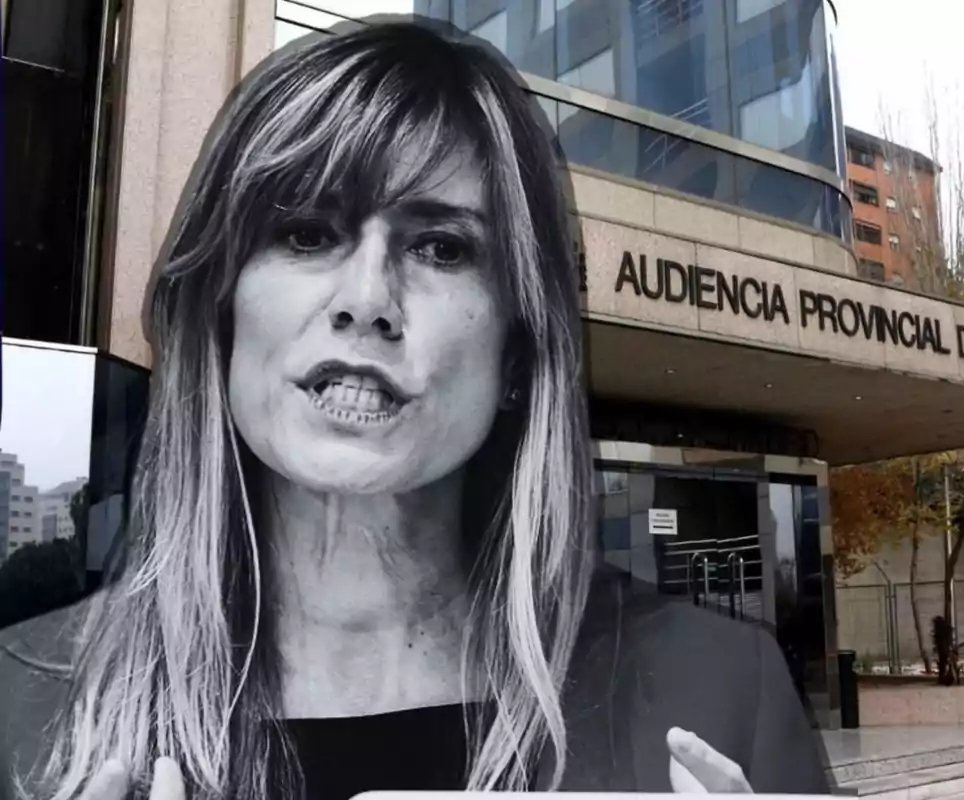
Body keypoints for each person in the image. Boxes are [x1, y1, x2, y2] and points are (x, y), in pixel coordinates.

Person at [0, 18, 832, 800]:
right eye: (305, 232)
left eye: (441, 248)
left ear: (519, 349)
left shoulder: (722, 690)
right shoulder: (21, 700)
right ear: (218, 310)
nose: (367, 301)